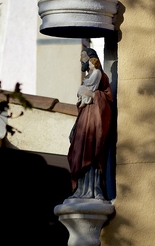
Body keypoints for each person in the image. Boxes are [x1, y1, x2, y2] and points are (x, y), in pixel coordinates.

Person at [68, 48, 113, 199]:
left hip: (93, 119)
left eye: (83, 58)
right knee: (78, 148)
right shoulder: (90, 76)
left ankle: (93, 190)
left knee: (91, 148)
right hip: (84, 117)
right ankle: (81, 190)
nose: (81, 61)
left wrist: (91, 94)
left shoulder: (98, 74)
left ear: (90, 58)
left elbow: (101, 98)